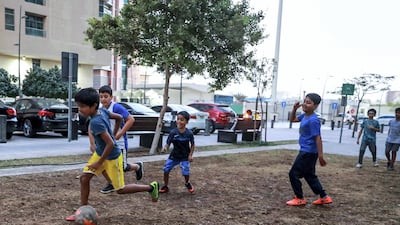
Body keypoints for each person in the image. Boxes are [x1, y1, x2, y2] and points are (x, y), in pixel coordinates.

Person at [66, 88, 159, 221]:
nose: (80, 109)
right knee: (84, 179)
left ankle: (151, 187)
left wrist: (100, 161)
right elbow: (119, 117)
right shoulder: (102, 111)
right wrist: (114, 134)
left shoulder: (96, 122)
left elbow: (110, 144)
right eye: (78, 106)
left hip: (112, 156)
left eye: (82, 106)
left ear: (93, 106)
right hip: (100, 153)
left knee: (120, 189)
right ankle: (82, 211)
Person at [286, 93, 332, 206]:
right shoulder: (305, 116)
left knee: (293, 174)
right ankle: (324, 197)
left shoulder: (313, 120)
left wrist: (321, 156)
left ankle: (299, 198)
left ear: (315, 106)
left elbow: (318, 138)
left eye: (308, 102)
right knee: (309, 175)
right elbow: (293, 120)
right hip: (308, 151)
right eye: (305, 101)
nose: (305, 104)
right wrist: (294, 109)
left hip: (308, 152)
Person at [96, 85, 144, 194]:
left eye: (106, 96)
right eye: (101, 97)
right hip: (106, 142)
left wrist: (120, 133)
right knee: (102, 163)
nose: (103, 99)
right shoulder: (100, 109)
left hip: (119, 142)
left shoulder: (116, 107)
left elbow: (130, 119)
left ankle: (137, 166)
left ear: (111, 97)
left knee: (122, 167)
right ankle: (111, 183)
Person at [159, 111, 195, 194]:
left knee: (185, 171)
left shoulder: (189, 133)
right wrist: (165, 148)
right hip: (174, 155)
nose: (179, 121)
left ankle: (187, 183)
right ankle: (165, 186)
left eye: (182, 120)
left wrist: (190, 155)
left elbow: (192, 145)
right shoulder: (173, 132)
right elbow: (168, 143)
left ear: (186, 122)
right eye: (178, 119)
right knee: (166, 169)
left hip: (184, 156)